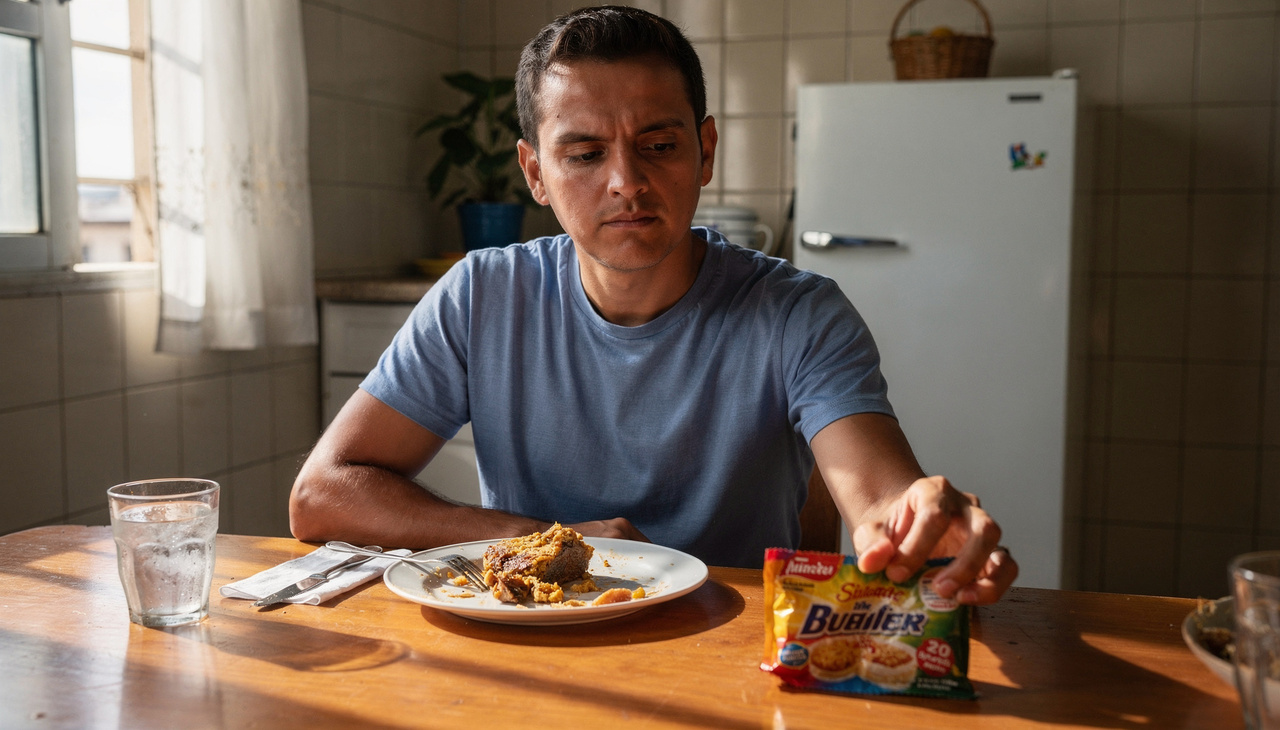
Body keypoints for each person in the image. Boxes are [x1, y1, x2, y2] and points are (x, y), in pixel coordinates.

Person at [291, 5, 1017, 604]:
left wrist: (920, 525)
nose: (625, 182)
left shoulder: (800, 314)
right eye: (584, 154)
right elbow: (323, 495)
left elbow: (879, 501)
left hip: (732, 654)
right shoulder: (482, 295)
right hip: (530, 653)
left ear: (705, 152)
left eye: (659, 144)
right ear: (535, 172)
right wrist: (553, 539)